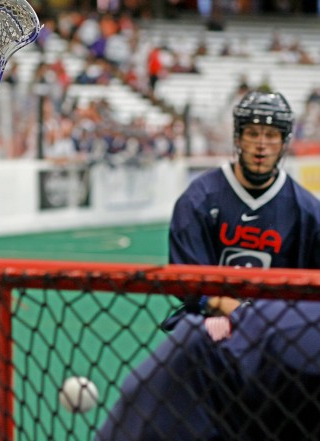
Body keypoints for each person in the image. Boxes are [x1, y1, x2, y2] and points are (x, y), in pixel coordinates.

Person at [96, 90, 320, 440]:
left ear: (284, 141)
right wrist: (240, 315)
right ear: (238, 137)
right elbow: (189, 285)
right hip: (208, 335)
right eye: (253, 133)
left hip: (276, 346)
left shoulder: (306, 211)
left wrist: (260, 325)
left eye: (271, 135)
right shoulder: (200, 199)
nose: (261, 144)